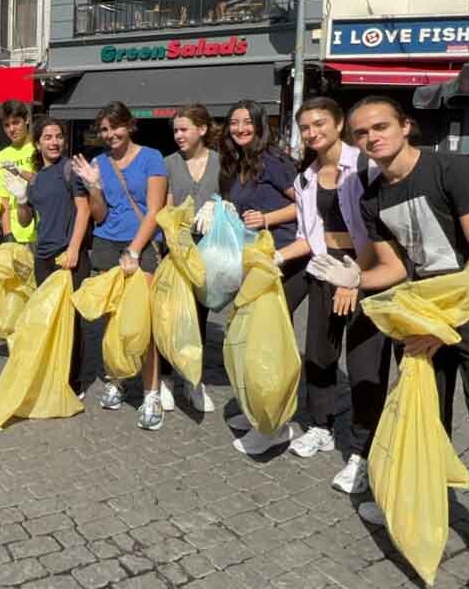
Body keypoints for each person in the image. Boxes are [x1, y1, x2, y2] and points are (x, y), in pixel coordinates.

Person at [309, 96, 469, 589]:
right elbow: (393, 268)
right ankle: (418, 504)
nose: (372, 138)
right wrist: (354, 276)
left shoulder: (452, 169)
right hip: (427, 307)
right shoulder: (371, 197)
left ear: (406, 127)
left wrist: (443, 321)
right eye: (362, 133)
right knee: (423, 413)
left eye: (381, 127)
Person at [266, 97, 391, 490]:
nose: (312, 132)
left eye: (319, 123)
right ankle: (320, 426)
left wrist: (356, 276)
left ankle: (362, 452)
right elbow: (308, 237)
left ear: (339, 124)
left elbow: (381, 228)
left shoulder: (366, 167)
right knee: (319, 355)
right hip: (324, 268)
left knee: (364, 366)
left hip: (368, 268)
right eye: (305, 127)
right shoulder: (305, 177)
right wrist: (270, 258)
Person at [69, 101, 169, 430]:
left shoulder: (152, 158)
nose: (110, 134)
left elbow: (154, 211)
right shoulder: (99, 162)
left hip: (140, 246)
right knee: (113, 321)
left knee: (143, 322)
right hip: (106, 245)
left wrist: (135, 250)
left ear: (129, 126)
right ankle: (118, 378)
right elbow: (99, 214)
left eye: (115, 127)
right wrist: (94, 186)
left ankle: (151, 391)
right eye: (104, 130)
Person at [219, 99, 307, 454]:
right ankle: (257, 411)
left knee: (268, 343)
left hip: (282, 260)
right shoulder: (239, 163)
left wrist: (267, 219)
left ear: (259, 125)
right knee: (248, 335)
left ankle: (275, 426)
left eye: (247, 123)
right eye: (234, 123)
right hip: (255, 260)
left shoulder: (273, 160)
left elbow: (306, 202)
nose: (240, 128)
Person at [8, 116, 95, 396]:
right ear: (37, 143)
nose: (54, 142)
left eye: (58, 136)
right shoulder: (36, 180)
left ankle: (73, 381)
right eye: (48, 137)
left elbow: (83, 210)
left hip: (68, 256)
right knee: (47, 318)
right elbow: (24, 221)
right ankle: (52, 371)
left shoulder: (69, 169)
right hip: (42, 256)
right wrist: (21, 199)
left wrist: (73, 249)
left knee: (71, 320)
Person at [162, 103, 221, 413]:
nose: (178, 135)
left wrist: (220, 206)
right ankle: (166, 380)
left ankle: (193, 380)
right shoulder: (169, 163)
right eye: (175, 130)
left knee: (198, 318)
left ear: (203, 129)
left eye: (184, 129)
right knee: (170, 316)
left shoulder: (220, 163)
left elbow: (232, 198)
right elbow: (166, 206)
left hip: (209, 255)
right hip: (176, 252)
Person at [0, 100, 36, 246]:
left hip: (41, 233)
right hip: (15, 235)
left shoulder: (39, 149)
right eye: (6, 125)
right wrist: (8, 233)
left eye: (16, 122)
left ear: (27, 119)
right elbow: (3, 200)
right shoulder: (2, 157)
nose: (11, 129)